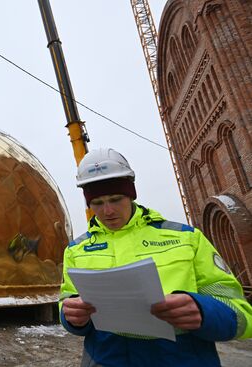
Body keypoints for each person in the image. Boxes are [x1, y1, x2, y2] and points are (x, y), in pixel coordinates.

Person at [59, 148, 252, 367]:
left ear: (131, 194)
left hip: (181, 358)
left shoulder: (186, 238)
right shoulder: (76, 249)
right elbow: (66, 304)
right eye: (98, 203)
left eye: (115, 199)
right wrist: (72, 317)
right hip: (106, 358)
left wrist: (202, 310)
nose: (108, 211)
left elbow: (242, 314)